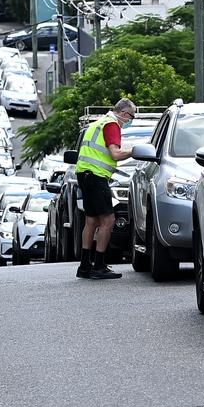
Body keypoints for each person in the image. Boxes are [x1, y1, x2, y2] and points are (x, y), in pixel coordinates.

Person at [75, 98, 136, 279]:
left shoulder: (98, 123)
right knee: (108, 220)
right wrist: (134, 150)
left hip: (85, 175)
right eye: (131, 116)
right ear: (124, 114)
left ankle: (85, 265)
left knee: (91, 221)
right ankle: (99, 265)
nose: (130, 120)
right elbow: (115, 154)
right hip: (96, 177)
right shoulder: (112, 125)